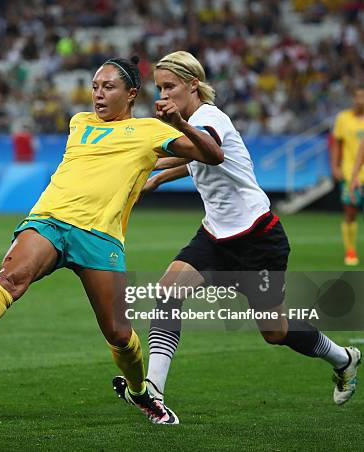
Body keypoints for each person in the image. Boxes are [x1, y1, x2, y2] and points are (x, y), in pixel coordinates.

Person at [0, 56, 224, 425]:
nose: (98, 95)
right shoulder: (80, 123)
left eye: (108, 87)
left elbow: (213, 155)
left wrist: (180, 124)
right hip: (49, 220)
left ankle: (141, 392)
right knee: (10, 279)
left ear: (132, 94)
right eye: (94, 87)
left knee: (120, 335)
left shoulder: (153, 131)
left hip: (99, 235)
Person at [112, 51, 361, 423]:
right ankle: (155, 391)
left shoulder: (208, 117)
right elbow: (189, 156)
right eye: (159, 87)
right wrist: (157, 174)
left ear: (193, 85)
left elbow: (209, 152)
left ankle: (344, 358)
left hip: (257, 238)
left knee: (274, 331)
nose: (162, 95)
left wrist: (174, 130)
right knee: (167, 292)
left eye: (170, 86)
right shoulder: (191, 122)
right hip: (215, 236)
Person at [331, 85, 364, 265]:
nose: (361, 101)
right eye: (358, 96)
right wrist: (335, 166)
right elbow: (337, 144)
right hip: (351, 173)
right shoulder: (343, 118)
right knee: (350, 213)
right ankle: (350, 251)